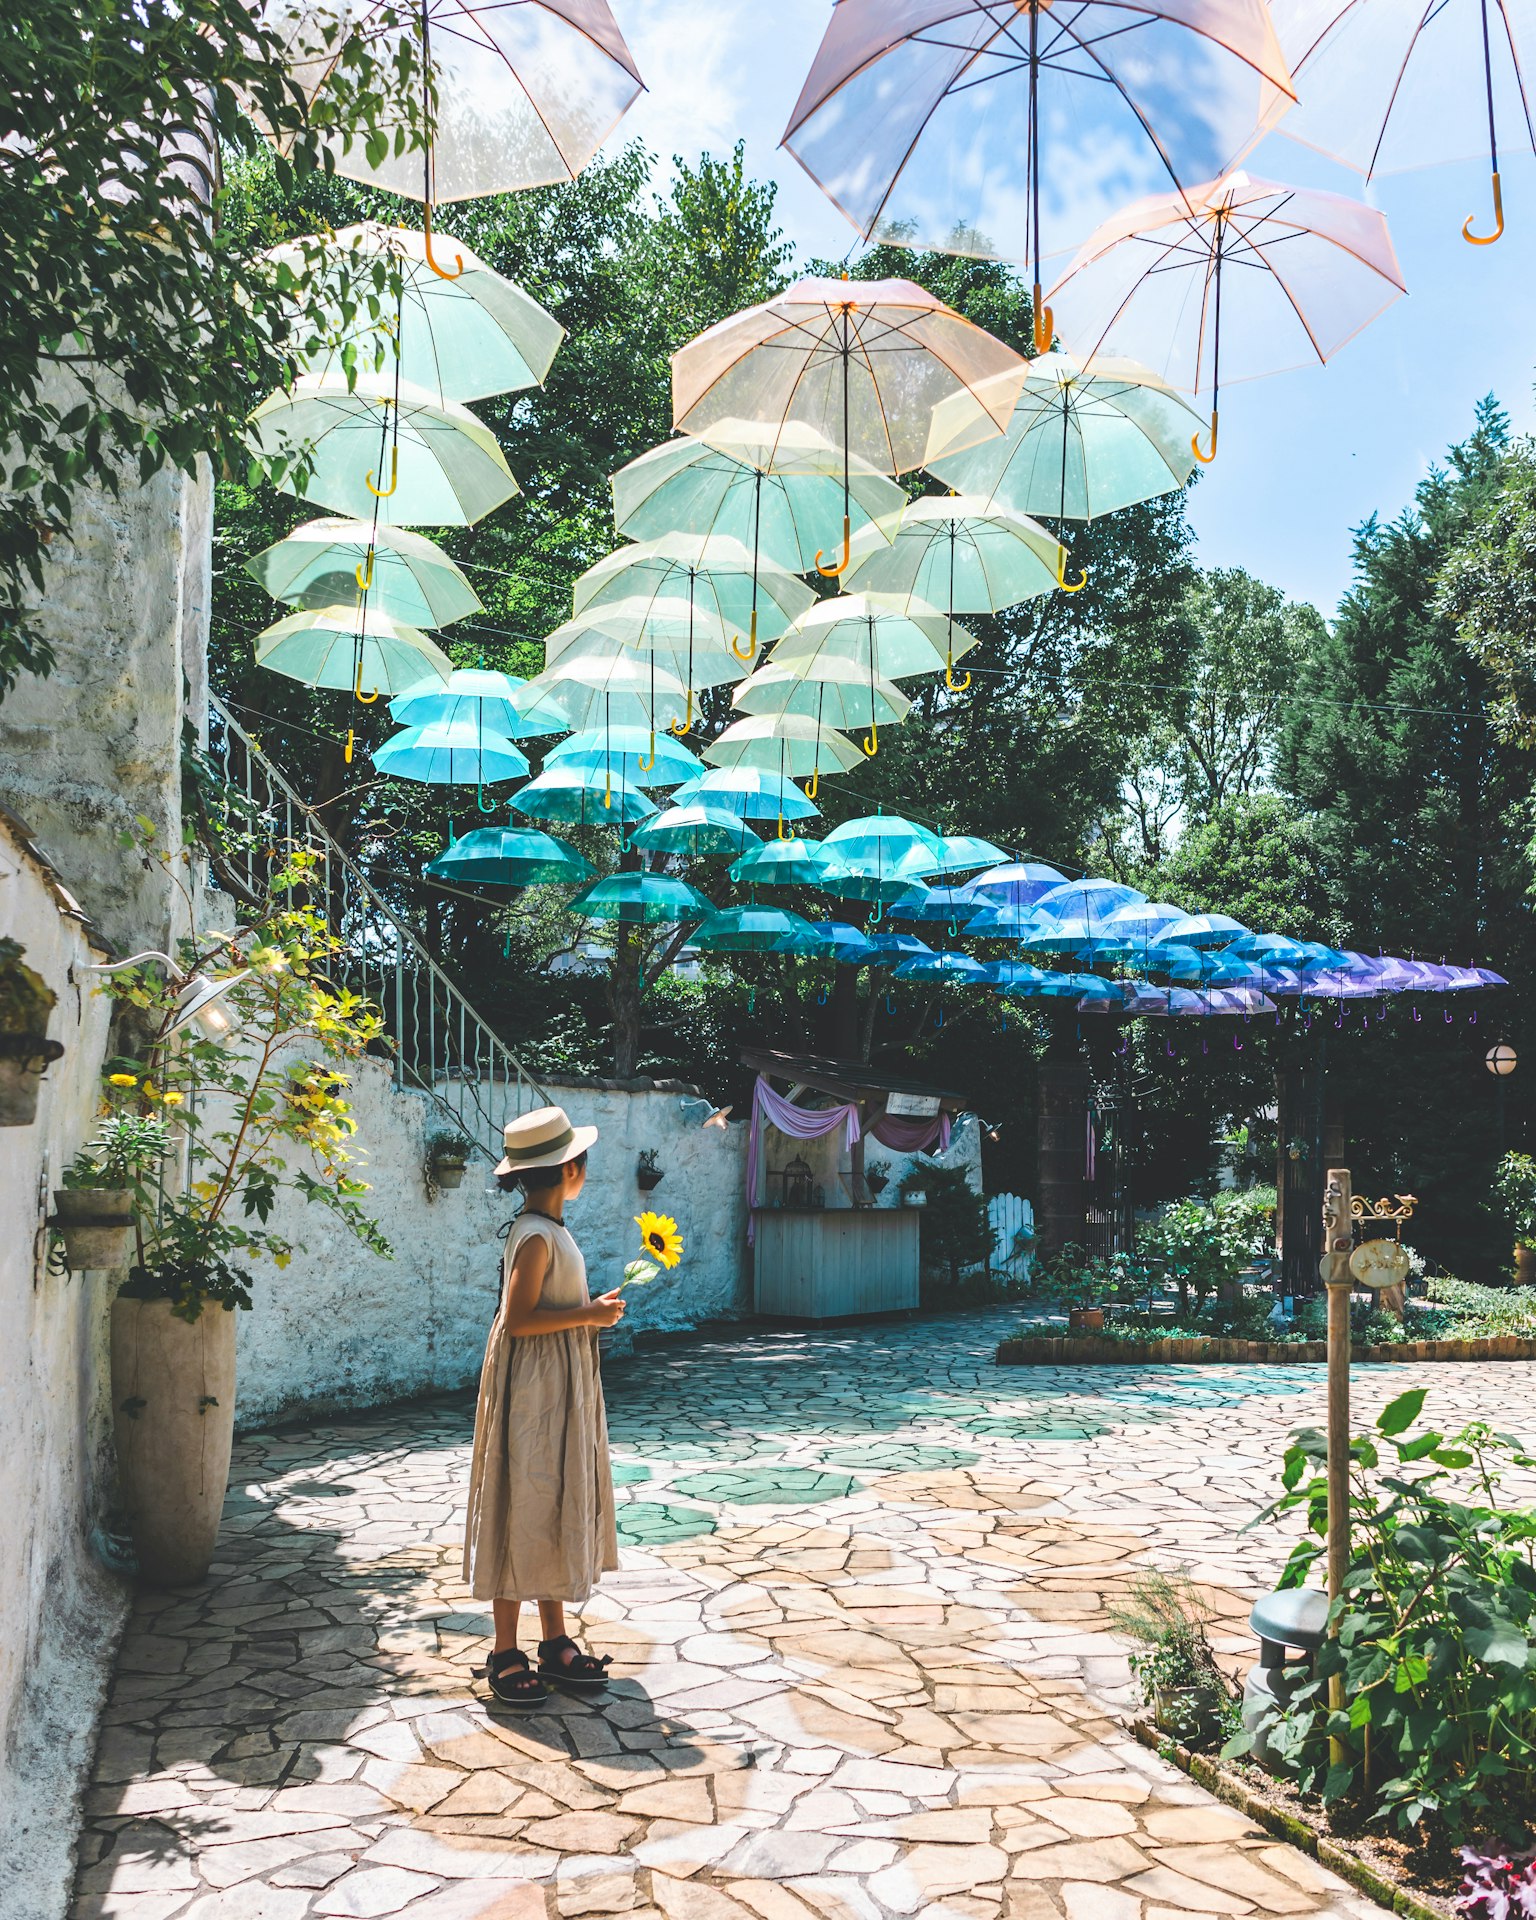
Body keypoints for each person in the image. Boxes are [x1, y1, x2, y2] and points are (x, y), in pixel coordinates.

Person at [462, 1104, 625, 1707]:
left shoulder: (549, 1230)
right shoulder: (534, 1235)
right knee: (522, 1500)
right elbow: (519, 1319)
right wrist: (588, 1314)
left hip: (554, 1386)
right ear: (570, 1168)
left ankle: (554, 1640)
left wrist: (588, 1309)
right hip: (534, 1391)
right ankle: (506, 1648)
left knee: (548, 1500)